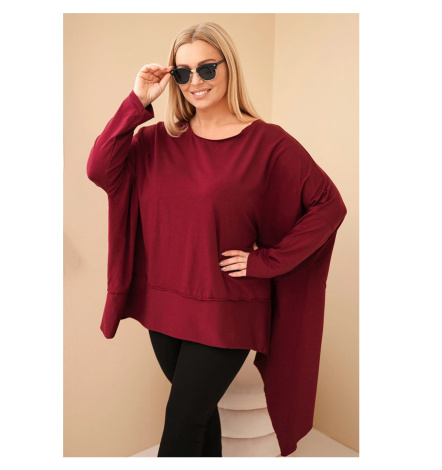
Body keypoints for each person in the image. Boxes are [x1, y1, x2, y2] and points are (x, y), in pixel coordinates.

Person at [87, 22, 347, 457]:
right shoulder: (156, 141)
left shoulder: (268, 143)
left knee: (181, 423)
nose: (195, 82)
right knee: (200, 418)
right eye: (183, 73)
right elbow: (99, 169)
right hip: (163, 304)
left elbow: (328, 205)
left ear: (229, 67)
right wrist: (137, 101)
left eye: (206, 68)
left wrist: (267, 261)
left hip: (228, 306)